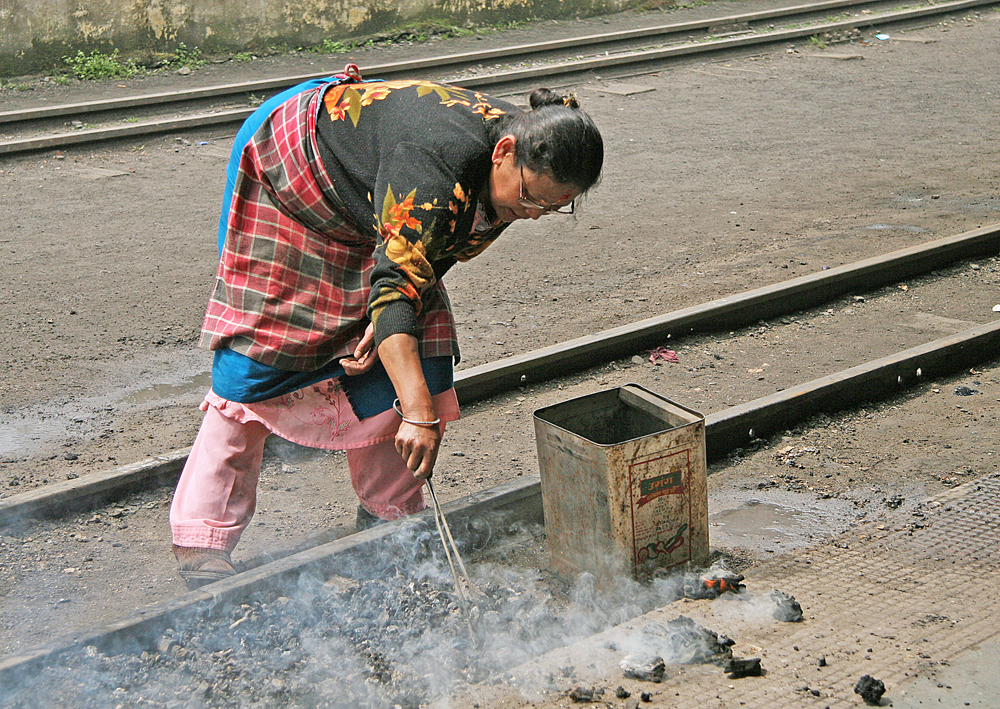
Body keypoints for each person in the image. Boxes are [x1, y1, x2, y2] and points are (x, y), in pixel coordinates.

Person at [168, 64, 604, 588]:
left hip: (372, 204)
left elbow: (429, 250)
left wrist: (391, 317)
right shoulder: (433, 166)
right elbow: (404, 266)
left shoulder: (528, 152)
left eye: (553, 208)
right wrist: (417, 414)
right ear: (503, 152)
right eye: (531, 199)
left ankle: (388, 516)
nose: (533, 214)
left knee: (418, 346)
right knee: (262, 359)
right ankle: (203, 537)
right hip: (295, 176)